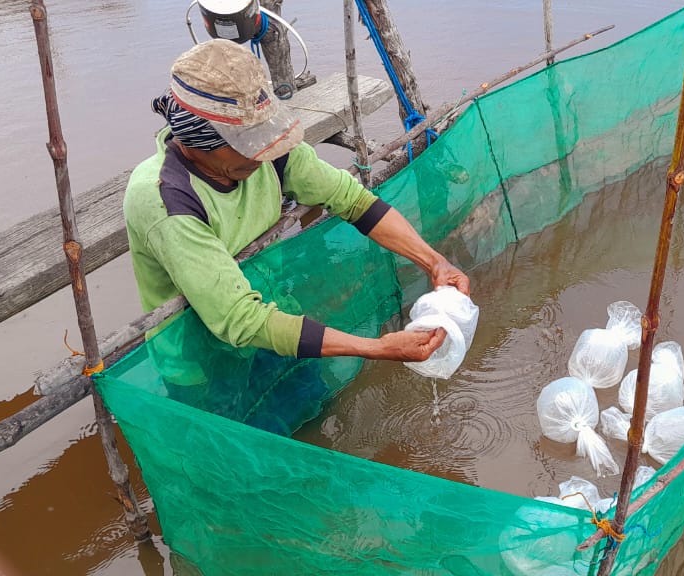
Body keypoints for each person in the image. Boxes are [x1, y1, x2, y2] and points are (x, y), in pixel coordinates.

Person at [124, 39, 468, 372]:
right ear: (197, 141)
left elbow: (355, 201)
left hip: (280, 319)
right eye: (244, 143)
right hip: (203, 360)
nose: (260, 151)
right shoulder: (165, 198)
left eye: (261, 137)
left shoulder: (270, 152)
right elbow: (239, 319)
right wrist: (374, 348)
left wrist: (434, 262)